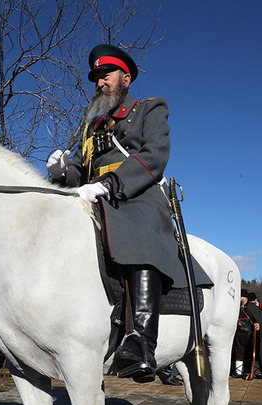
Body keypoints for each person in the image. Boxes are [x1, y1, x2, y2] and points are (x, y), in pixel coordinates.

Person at [48, 43, 187, 384]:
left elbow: (154, 156)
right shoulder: (91, 126)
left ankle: (141, 340)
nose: (99, 83)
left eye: (105, 75)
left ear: (125, 78)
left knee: (136, 229)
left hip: (135, 195)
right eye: (96, 77)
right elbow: (81, 172)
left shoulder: (149, 109)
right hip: (92, 196)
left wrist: (110, 184)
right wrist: (61, 175)